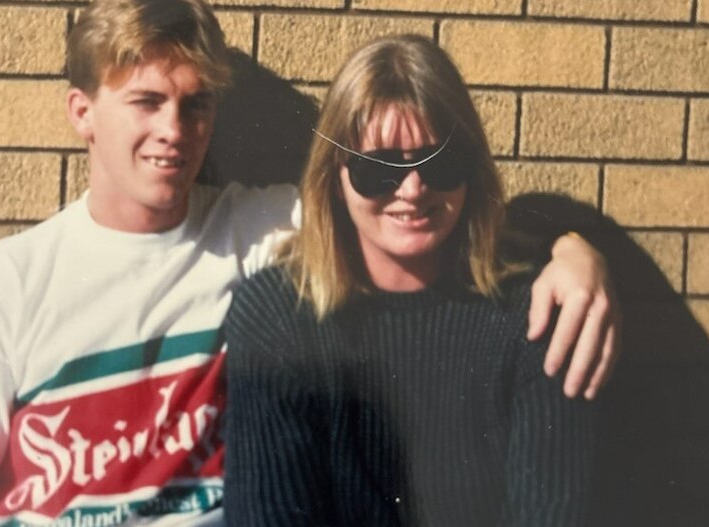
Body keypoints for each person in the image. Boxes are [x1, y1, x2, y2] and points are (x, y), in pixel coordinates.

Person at [0, 0, 614, 526]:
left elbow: (412, 209)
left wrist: (572, 247)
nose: (175, 129)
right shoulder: (3, 286)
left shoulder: (258, 229)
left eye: (196, 104)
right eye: (146, 101)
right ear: (82, 113)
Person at [224, 35, 602, 526]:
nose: (414, 189)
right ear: (335, 176)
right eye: (378, 169)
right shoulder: (276, 315)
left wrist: (576, 244)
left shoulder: (534, 315)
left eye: (440, 163)